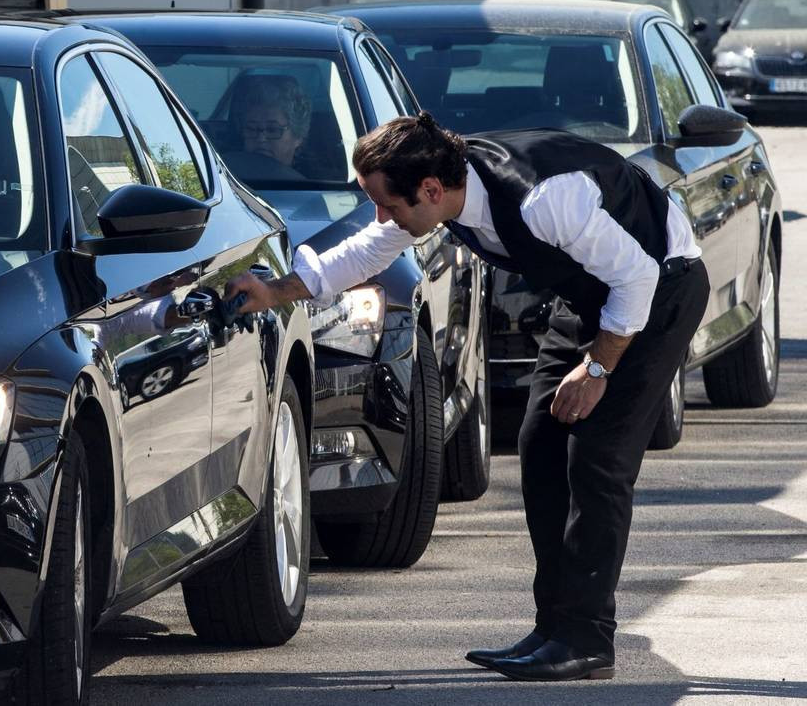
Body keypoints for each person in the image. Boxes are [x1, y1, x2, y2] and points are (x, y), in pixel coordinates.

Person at [228, 114, 707, 683]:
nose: (385, 216)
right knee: (541, 444)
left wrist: (598, 368)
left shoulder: (541, 199)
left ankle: (586, 639)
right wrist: (276, 291)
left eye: (390, 204)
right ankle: (555, 627)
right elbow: (367, 251)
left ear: (430, 189)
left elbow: (637, 278)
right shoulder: (447, 184)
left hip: (657, 292)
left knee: (598, 460)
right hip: (590, 298)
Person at [221, 74, 311, 182]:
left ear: (298, 136)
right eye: (251, 129)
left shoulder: (318, 187)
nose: (261, 139)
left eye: (272, 130)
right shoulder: (220, 178)